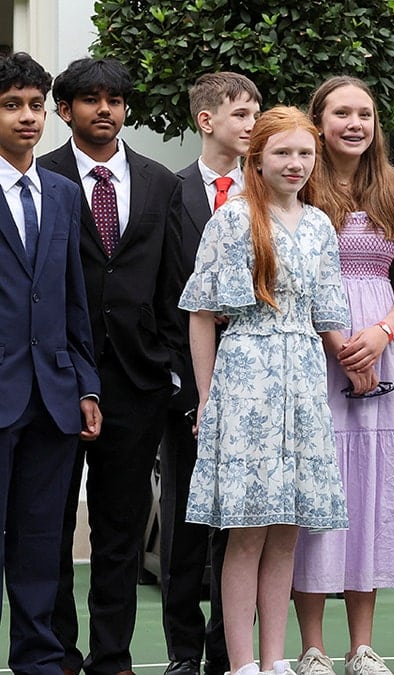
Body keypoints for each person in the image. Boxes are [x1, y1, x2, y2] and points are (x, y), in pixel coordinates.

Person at [178, 106, 350, 675]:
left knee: (286, 533)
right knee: (247, 533)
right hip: (246, 378)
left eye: (305, 153)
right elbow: (200, 312)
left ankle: (275, 660)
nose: (295, 163)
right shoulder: (232, 218)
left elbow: (328, 317)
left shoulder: (320, 225)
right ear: (257, 158)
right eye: (282, 152)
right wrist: (207, 396)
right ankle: (242, 663)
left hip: (303, 380)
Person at [40, 57, 186, 675]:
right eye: (91, 99)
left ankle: (112, 658)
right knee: (48, 528)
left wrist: (171, 368)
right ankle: (58, 654)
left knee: (120, 530)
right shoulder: (40, 177)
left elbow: (175, 283)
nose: (105, 109)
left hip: (136, 379)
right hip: (57, 378)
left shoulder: (160, 182)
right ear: (65, 109)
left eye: (115, 100)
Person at [292, 75, 394, 675]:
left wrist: (380, 335)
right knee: (318, 490)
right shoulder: (300, 184)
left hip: (381, 345)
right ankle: (312, 647)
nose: (355, 124)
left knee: (370, 491)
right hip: (315, 348)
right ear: (319, 122)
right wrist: (340, 342)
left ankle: (362, 646)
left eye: (365, 114)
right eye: (342, 113)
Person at [0, 51, 101, 675]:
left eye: (36, 105)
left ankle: (38, 660)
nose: (28, 116)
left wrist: (86, 385)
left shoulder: (62, 193)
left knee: (41, 543)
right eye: (12, 105)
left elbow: (72, 298)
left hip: (54, 396)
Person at [161, 71, 262, 675]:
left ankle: (230, 650)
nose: (253, 124)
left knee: (240, 523)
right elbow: (160, 289)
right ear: (207, 120)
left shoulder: (269, 194)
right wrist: (179, 383)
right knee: (183, 518)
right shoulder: (167, 192)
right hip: (183, 379)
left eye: (256, 113)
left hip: (256, 380)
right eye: (241, 114)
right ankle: (183, 651)